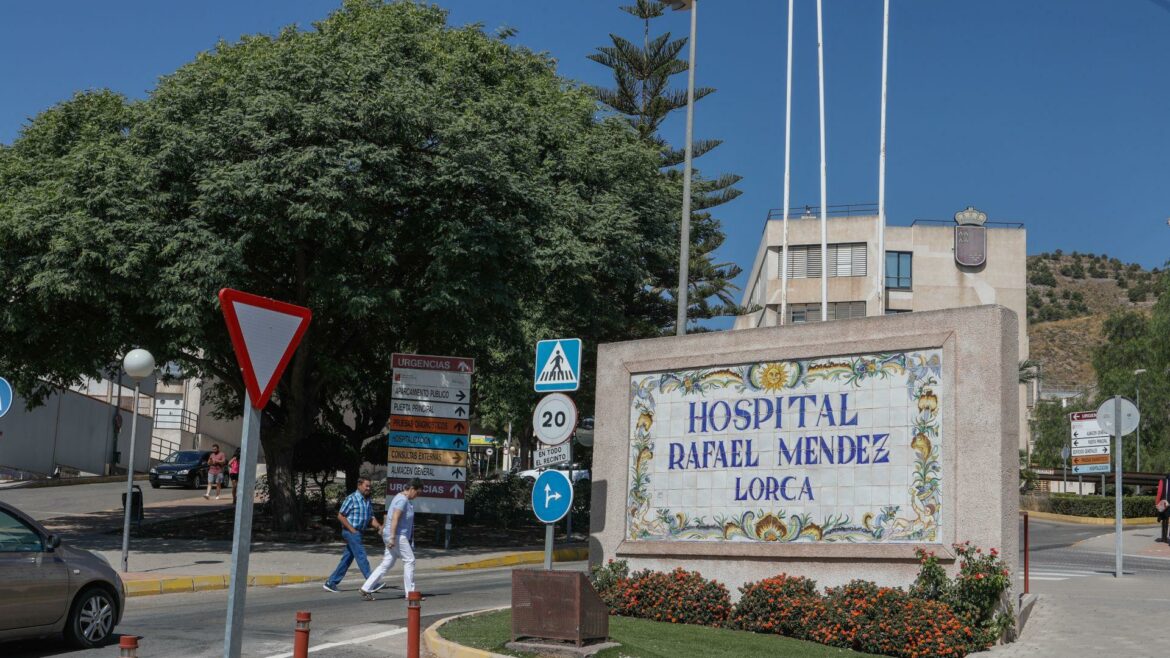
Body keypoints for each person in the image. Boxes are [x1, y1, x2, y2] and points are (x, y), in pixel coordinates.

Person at [360, 478, 422, 600]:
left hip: (392, 534)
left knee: (387, 563)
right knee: (409, 560)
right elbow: (394, 518)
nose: (417, 496)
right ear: (411, 489)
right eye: (417, 493)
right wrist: (392, 537)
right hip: (398, 536)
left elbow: (388, 515)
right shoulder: (402, 500)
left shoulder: (401, 498)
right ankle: (410, 594)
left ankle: (366, 587)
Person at [323, 477, 383, 593]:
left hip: (358, 532)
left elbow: (370, 518)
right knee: (361, 555)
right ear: (359, 485)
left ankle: (331, 582)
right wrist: (352, 530)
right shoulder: (351, 498)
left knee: (347, 559)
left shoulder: (367, 500)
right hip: (351, 532)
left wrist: (379, 527)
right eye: (367, 486)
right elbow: (341, 516)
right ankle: (371, 583)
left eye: (370, 486)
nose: (368, 488)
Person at [1156, 473, 1170, 543]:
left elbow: (1159, 492)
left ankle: (1164, 537)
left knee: (1164, 519)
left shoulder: (1162, 481)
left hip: (1164, 502)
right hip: (1167, 503)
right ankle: (1166, 538)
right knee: (1166, 519)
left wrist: (1157, 502)